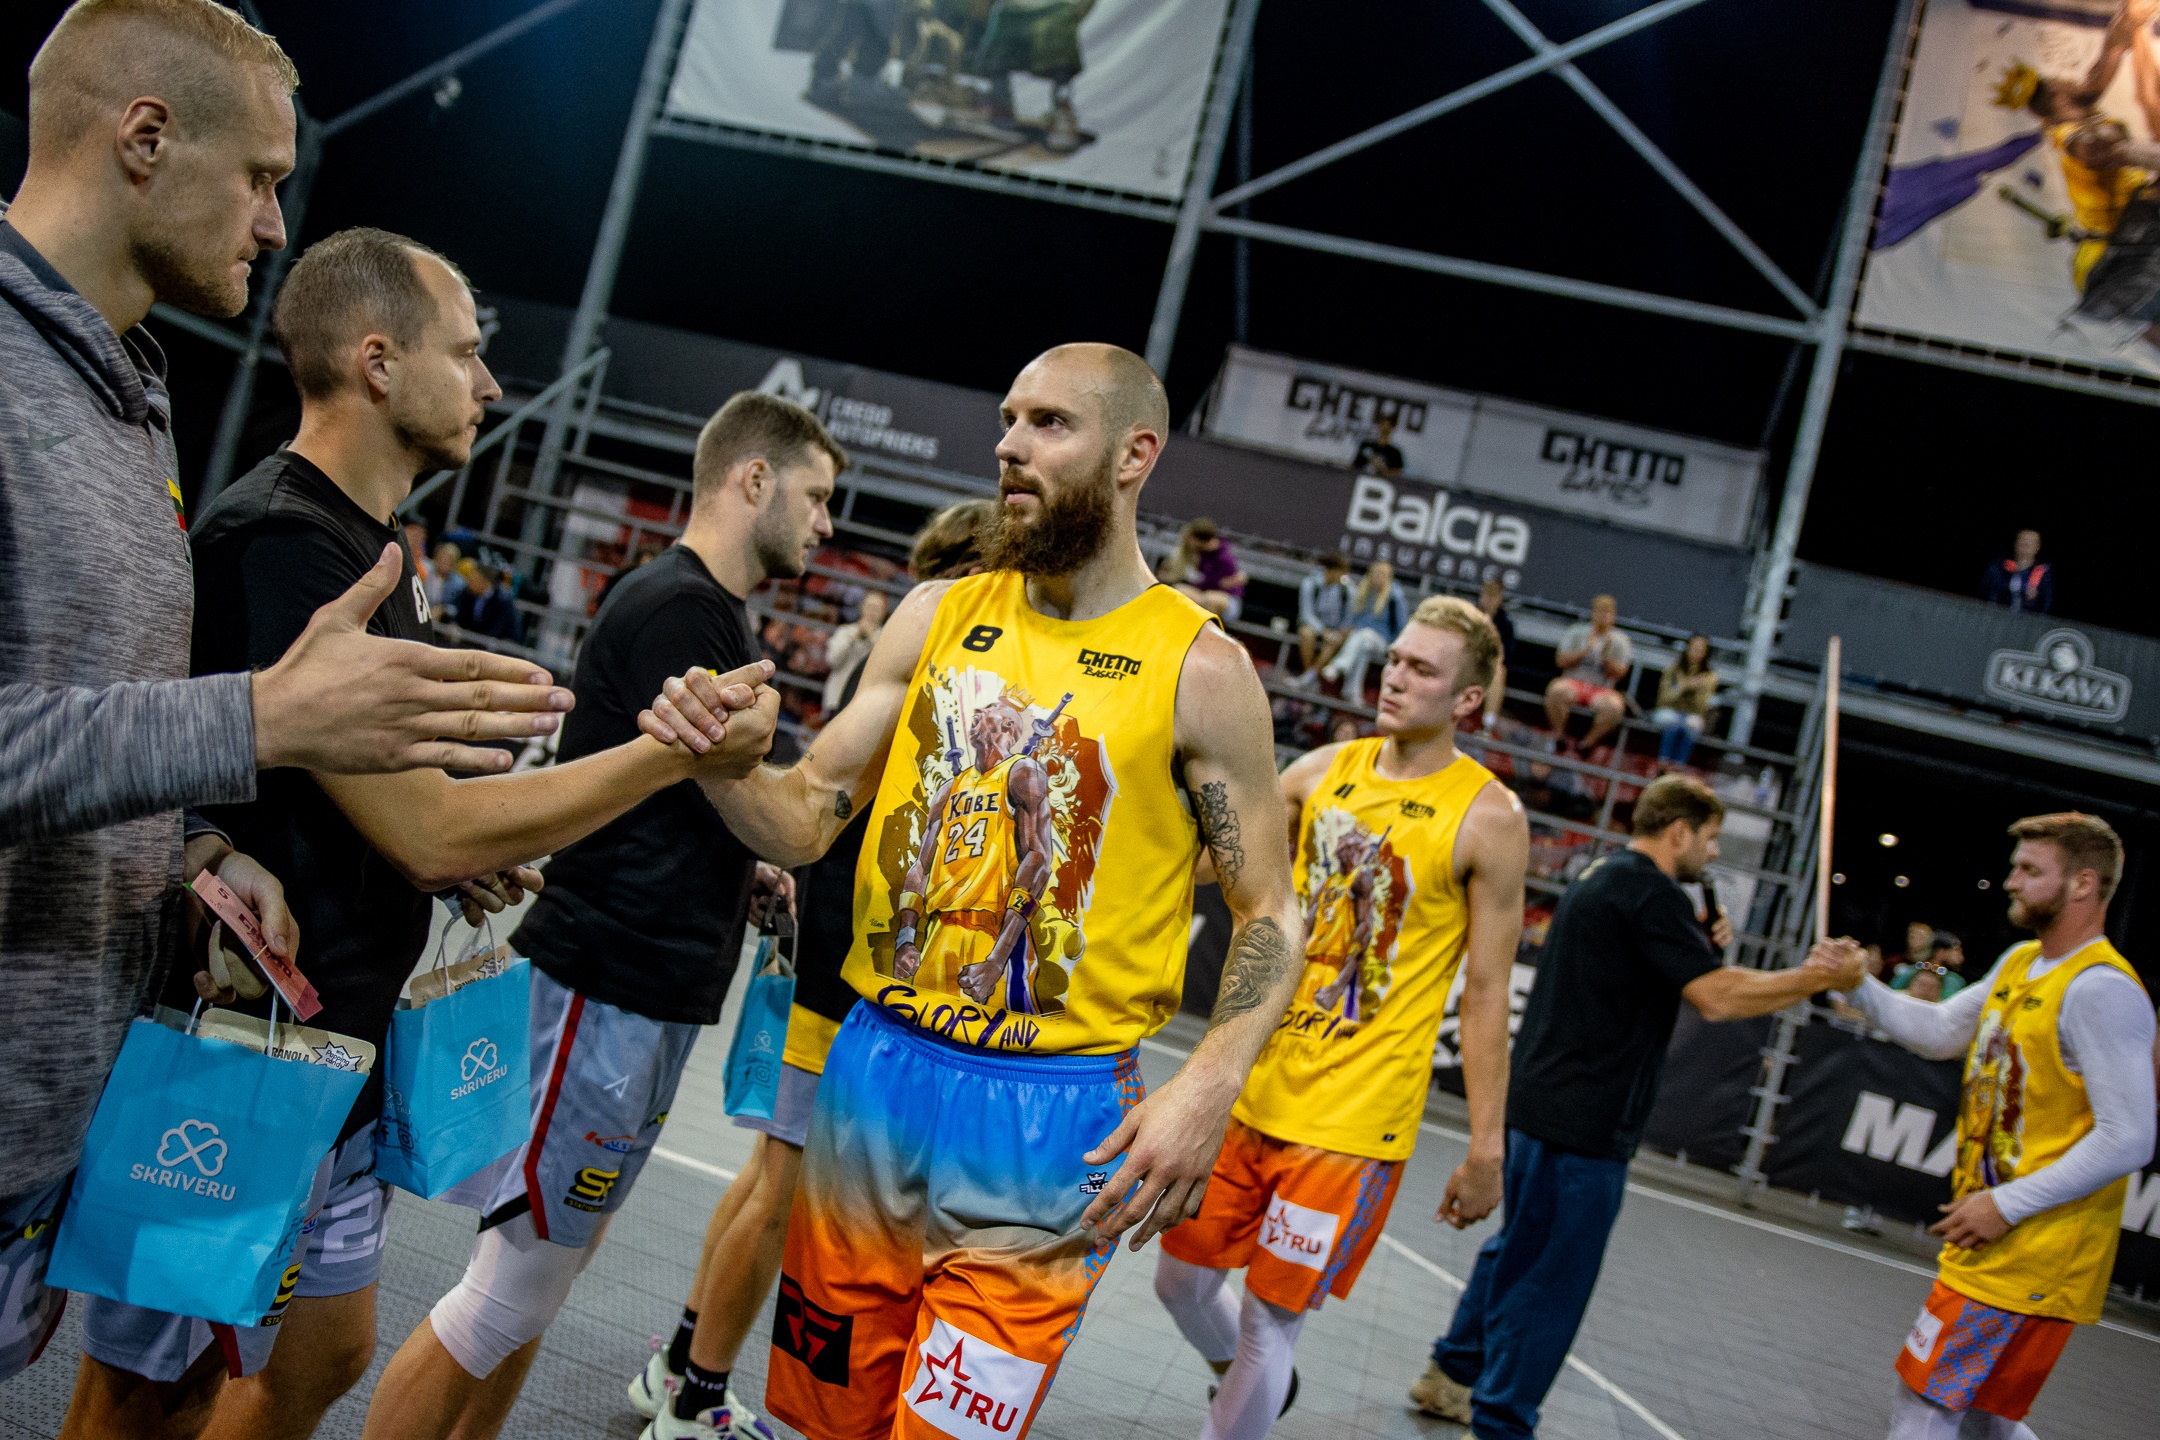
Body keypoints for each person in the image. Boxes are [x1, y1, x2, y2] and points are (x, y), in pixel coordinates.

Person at [60, 227, 784, 1440]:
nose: (491, 383)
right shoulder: (284, 540)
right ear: (378, 362)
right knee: (145, 1397)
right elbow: (429, 830)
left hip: (340, 1046)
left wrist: (454, 851)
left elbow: (367, 803)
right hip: (240, 1056)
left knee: (324, 1353)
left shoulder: (372, 550)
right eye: (466, 352)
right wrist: (675, 753)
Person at [0, 0, 575, 1391]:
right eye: (262, 177)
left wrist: (198, 846)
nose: (274, 224)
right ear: (146, 137)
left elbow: (80, 715)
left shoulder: (126, 397)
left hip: (49, 1098)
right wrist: (259, 722)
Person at [635, 343, 1305, 1440]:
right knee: (826, 1422)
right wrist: (717, 766)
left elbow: (1270, 908)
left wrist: (1209, 1084)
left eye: (1050, 424)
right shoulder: (936, 613)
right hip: (874, 1078)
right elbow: (806, 815)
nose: (1009, 445)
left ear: (1135, 454)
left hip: (1053, 1120)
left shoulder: (1202, 669)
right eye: (1007, 420)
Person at [359, 389, 837, 1440]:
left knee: (537, 1284)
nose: (827, 521)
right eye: (815, 495)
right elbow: (721, 789)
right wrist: (789, 832)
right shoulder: (682, 608)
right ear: (753, 478)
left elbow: (682, 796)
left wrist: (742, 867)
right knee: (508, 1291)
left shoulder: (705, 609)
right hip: (606, 981)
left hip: (642, 989)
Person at [627, 500, 997, 1440]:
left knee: (767, 1177)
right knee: (780, 1189)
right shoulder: (941, 658)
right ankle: (697, 1398)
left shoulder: (933, 663)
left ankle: (679, 1365)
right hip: (842, 959)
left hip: (834, 945)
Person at [1155, 596, 1529, 1440]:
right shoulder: (1320, 772)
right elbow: (1216, 864)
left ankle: (1245, 1403)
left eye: (1422, 669)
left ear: (1467, 699)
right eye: (1395, 659)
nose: (1395, 676)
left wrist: (1486, 1147)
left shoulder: (1490, 818)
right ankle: (1255, 1392)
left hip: (1355, 1121)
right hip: (1257, 1088)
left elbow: (1484, 992)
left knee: (1268, 1323)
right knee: (1179, 1284)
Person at [1408, 775, 1870, 1440]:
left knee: (1519, 1249)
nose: (1713, 853)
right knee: (1554, 1280)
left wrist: (1703, 944)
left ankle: (1451, 1373)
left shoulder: (1604, 875)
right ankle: (1503, 1422)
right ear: (1679, 832)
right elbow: (1718, 997)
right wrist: (1817, 978)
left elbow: (1654, 971)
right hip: (1588, 1121)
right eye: (1710, 839)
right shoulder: (1652, 894)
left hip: (1541, 1103)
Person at [1824, 814, 2155, 1440]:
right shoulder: (2022, 961)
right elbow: (1940, 1030)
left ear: (2084, 884)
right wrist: (1857, 985)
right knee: (1983, 1417)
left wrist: (2005, 1204)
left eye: (2030, 870)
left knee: (1925, 1400)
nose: (2011, 881)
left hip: (2033, 1251)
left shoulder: (2101, 991)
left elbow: (2131, 1136)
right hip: (2007, 1246)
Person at [1543, 593, 1631, 752]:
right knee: (1556, 690)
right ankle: (1559, 737)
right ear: (1593, 613)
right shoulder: (1577, 632)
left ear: (1613, 616)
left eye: (1607, 613)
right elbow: (1561, 661)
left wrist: (1606, 658)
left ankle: (1586, 745)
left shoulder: (1620, 640)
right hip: (1574, 682)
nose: (1603, 616)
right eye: (1599, 612)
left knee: (1615, 706)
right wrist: (1585, 651)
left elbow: (1620, 674)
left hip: (1601, 688)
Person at [1320, 561, 1409, 703]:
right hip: (1360, 639)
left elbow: (1402, 626)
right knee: (1363, 647)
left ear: (1388, 577)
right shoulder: (1363, 591)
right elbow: (1351, 619)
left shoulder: (1394, 596)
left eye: (1382, 575)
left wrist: (1395, 648)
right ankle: (1352, 692)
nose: (1377, 578)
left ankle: (1339, 665)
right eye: (1375, 574)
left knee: (1364, 636)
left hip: (1383, 641)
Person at [1649, 634, 1718, 768]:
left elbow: (1702, 707)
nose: (1696, 651)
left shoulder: (1710, 677)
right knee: (1672, 721)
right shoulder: (1673, 670)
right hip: (1669, 710)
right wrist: (1686, 686)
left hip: (1692, 714)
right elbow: (1664, 698)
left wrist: (1696, 690)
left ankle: (1679, 766)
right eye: (1694, 647)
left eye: (1701, 649)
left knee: (1691, 725)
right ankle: (1663, 762)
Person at [1162, 515, 1248, 621]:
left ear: (1198, 540)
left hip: (1228, 600)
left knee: (1209, 599)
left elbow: (1219, 584)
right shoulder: (1200, 554)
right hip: (1204, 594)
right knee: (1178, 590)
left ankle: (1204, 626)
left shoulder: (1224, 557)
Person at [820, 585, 889, 711]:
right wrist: (853, 638)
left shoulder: (886, 638)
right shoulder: (845, 631)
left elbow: (885, 668)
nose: (872, 612)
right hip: (837, 699)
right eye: (869, 607)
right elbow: (832, 660)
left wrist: (871, 639)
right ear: (862, 607)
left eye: (876, 609)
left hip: (865, 704)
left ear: (883, 613)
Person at [1293, 552, 1355, 682]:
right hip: (1314, 626)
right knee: (1306, 633)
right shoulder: (1310, 583)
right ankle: (1308, 674)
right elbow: (1306, 614)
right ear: (1331, 571)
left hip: (1335, 629)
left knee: (1335, 639)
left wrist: (1341, 631)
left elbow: (1349, 618)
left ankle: (1309, 677)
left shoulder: (1348, 589)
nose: (1342, 576)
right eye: (1340, 573)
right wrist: (1323, 631)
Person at [1981, 529, 2053, 613]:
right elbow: (1984, 590)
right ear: (2016, 543)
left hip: (2026, 617)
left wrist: (2033, 600)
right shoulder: (2000, 565)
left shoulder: (2042, 571)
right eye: (2022, 540)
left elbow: (2047, 602)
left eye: (2030, 542)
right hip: (1997, 613)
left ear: (2037, 547)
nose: (2025, 544)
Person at [1477, 578, 1515, 730]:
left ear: (1500, 599)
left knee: (1499, 671)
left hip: (1489, 666)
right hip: (1467, 660)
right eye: (1487, 594)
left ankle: (1488, 724)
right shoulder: (1470, 615)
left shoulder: (1505, 625)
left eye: (1494, 596)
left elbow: (1506, 657)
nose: (1489, 599)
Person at [1892, 931, 1968, 1001]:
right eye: (1956, 951)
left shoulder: (1956, 980)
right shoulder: (1908, 973)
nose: (1961, 957)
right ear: (1941, 952)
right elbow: (1892, 995)